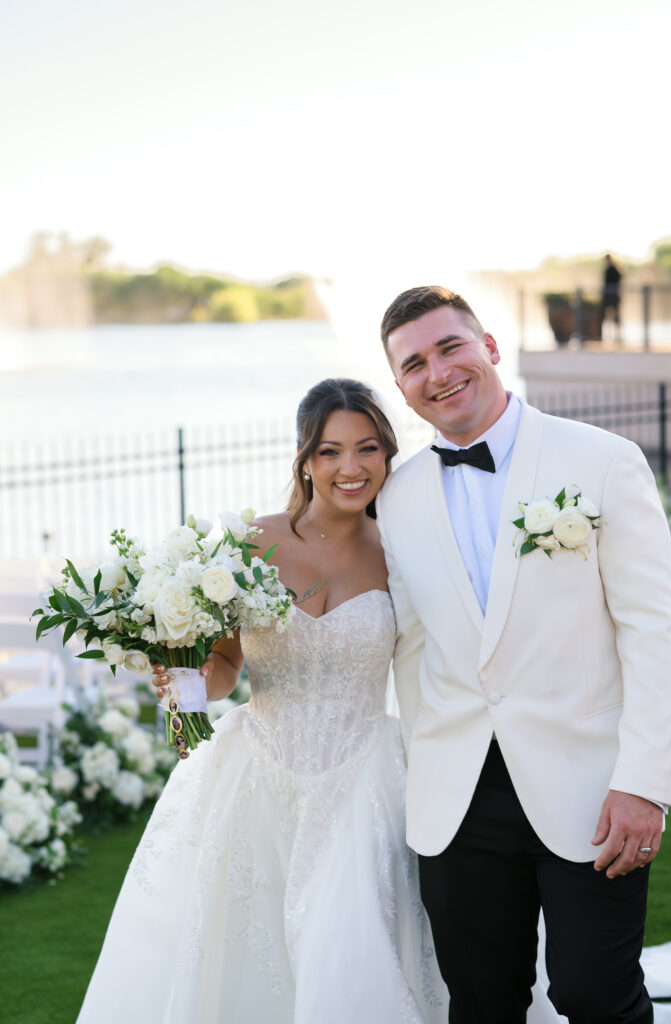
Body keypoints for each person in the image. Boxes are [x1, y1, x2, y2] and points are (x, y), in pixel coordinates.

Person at [76, 379, 450, 1024]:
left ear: (388, 455)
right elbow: (222, 665)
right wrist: (184, 680)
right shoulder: (248, 545)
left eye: (368, 449)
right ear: (305, 459)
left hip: (364, 779)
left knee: (350, 943)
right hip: (256, 777)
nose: (351, 468)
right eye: (330, 451)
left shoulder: (404, 549)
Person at [376, 286, 671, 1024]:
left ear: (487, 346)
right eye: (414, 363)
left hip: (588, 786)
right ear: (401, 388)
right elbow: (411, 650)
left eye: (449, 346)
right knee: (481, 1004)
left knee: (594, 995)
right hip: (456, 803)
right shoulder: (394, 497)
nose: (438, 372)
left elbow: (653, 631)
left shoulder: (603, 460)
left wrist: (643, 781)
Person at [601, 253, 622, 342]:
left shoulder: (611, 269)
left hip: (610, 296)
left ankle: (614, 336)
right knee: (612, 317)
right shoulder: (614, 268)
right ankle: (611, 336)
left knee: (611, 316)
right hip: (612, 295)